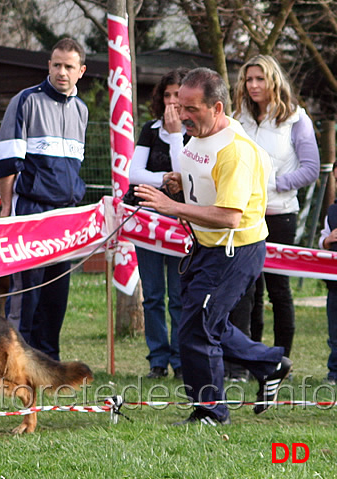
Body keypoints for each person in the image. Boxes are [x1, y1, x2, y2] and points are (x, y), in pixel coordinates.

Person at [134, 68, 291, 425]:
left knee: (197, 326)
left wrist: (173, 207)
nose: (181, 113)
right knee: (201, 321)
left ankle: (211, 411)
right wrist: (180, 183)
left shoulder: (234, 151)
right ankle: (270, 363)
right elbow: (202, 181)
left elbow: (229, 216)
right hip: (207, 246)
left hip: (235, 249)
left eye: (191, 107)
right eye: (177, 103)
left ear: (216, 107)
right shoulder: (196, 136)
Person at [0, 37, 88, 361]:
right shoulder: (25, 101)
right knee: (26, 294)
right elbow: (6, 162)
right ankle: (17, 362)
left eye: (69, 66)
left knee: (56, 294)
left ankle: (49, 363)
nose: (62, 72)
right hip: (30, 211)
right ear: (49, 65)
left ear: (81, 71)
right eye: (57, 64)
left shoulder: (82, 110)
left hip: (66, 216)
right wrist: (8, 208)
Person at [232, 54, 320, 359]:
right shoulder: (236, 118)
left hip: (280, 216)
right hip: (244, 217)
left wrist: (273, 185)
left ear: (274, 81)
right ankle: (253, 356)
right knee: (248, 290)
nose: (253, 85)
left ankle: (282, 358)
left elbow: (311, 168)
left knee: (278, 290)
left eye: (260, 79)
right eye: (248, 79)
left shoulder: (296, 118)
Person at [123, 68, 189, 380]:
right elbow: (134, 173)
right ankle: (157, 359)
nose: (172, 102)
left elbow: (187, 176)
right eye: (167, 95)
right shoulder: (150, 129)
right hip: (148, 220)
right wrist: (164, 179)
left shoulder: (194, 132)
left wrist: (176, 135)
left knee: (177, 295)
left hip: (180, 222)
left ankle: (180, 356)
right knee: (152, 294)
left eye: (178, 95)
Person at [318, 161, 337, 385]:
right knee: (334, 332)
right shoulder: (332, 211)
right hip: (334, 282)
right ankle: (334, 371)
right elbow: (322, 240)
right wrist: (327, 240)